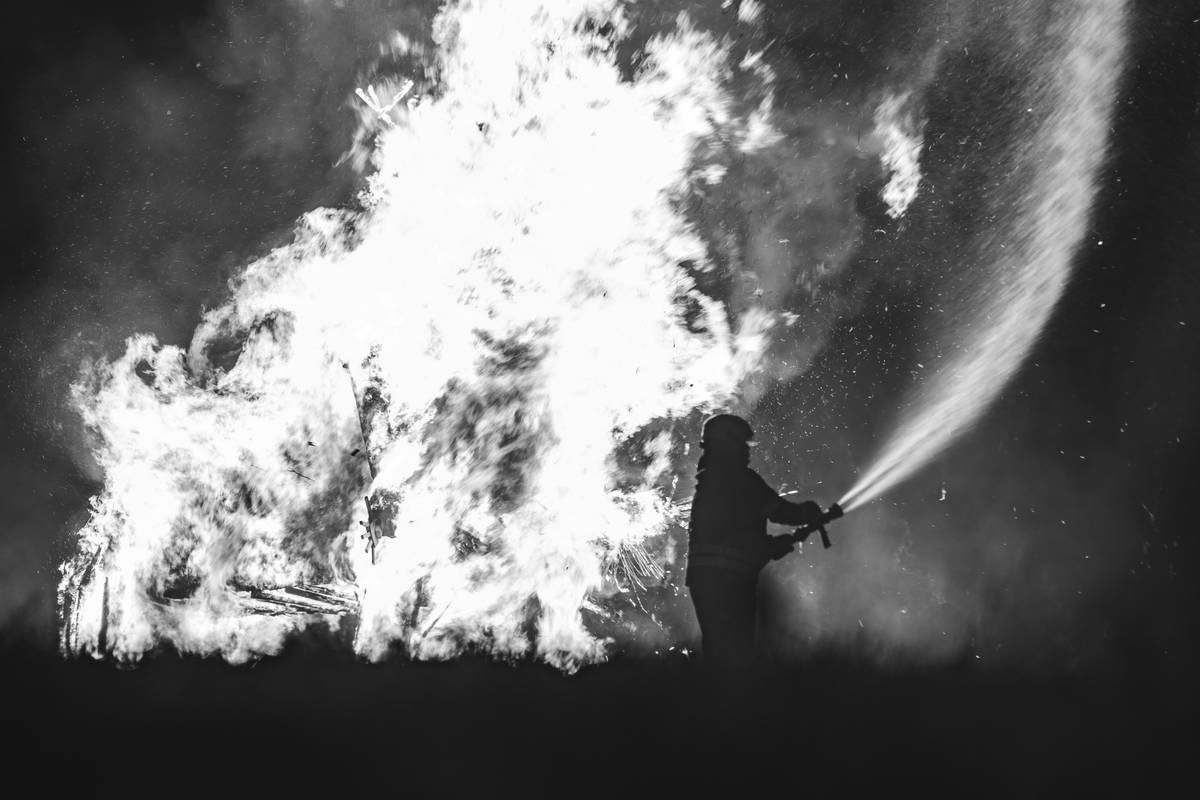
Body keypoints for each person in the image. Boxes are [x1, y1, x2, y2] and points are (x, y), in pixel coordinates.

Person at [685, 413, 824, 670]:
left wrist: (771, 546)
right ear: (728, 444)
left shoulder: (708, 482)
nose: (747, 451)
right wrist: (808, 511)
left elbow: (731, 535)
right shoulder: (742, 480)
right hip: (731, 581)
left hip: (702, 580)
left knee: (717, 648)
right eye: (743, 444)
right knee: (739, 651)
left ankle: (709, 691)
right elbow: (782, 513)